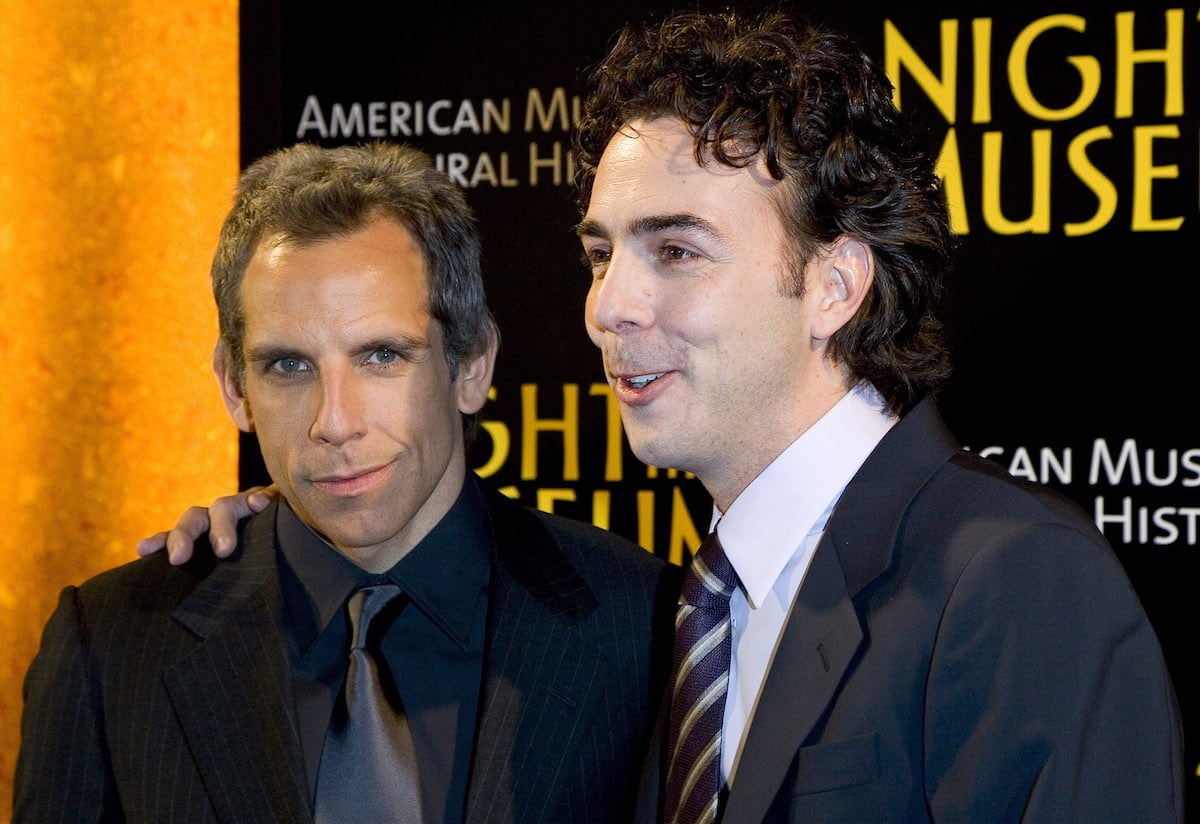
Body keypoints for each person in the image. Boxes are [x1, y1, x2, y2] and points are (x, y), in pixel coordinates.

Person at [136, 8, 1186, 824]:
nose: (607, 307)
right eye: (602, 252)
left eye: (675, 249)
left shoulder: (1013, 583)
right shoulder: (688, 610)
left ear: (835, 283)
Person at [14, 141, 678, 824]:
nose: (334, 422)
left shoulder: (645, 628)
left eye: (381, 356)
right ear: (234, 385)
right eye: (288, 367)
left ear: (472, 362)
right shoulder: (112, 647)